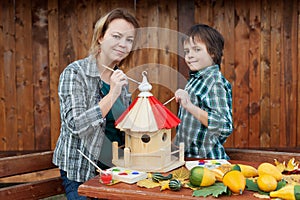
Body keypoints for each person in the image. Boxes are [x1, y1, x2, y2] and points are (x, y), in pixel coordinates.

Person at [52, 8, 140, 199]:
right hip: (81, 173)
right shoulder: (75, 73)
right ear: (100, 37)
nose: (123, 44)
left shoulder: (121, 81)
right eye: (117, 36)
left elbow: (123, 128)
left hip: (116, 171)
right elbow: (75, 125)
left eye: (129, 40)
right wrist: (112, 93)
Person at [174, 24, 233, 160]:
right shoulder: (195, 80)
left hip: (208, 162)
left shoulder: (214, 82)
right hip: (190, 158)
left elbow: (224, 126)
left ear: (212, 52)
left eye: (197, 49)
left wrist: (189, 106)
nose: (189, 56)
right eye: (187, 51)